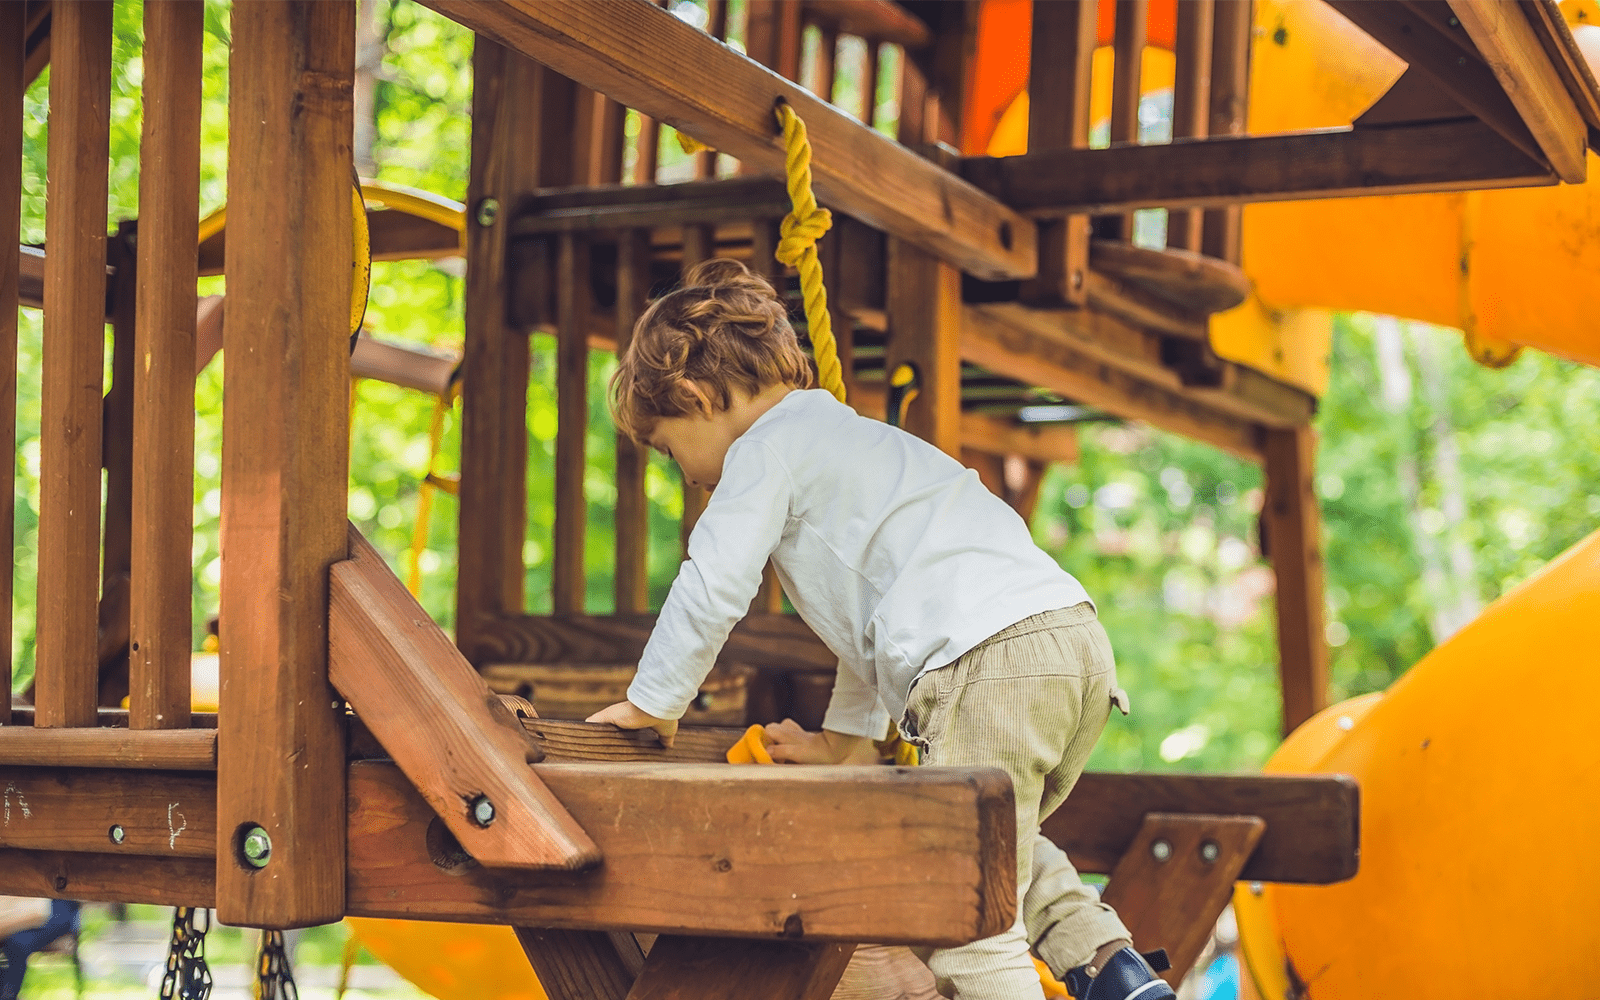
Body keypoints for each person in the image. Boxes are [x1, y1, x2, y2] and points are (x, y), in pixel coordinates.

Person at [589, 259, 1171, 1000]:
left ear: (698, 398)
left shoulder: (763, 453)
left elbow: (712, 584)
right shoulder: (855, 441)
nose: (686, 473)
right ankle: (1111, 970)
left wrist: (654, 702)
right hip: (1070, 643)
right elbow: (872, 626)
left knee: (966, 917)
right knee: (995, 848)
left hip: (984, 661)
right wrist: (846, 742)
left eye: (671, 449)